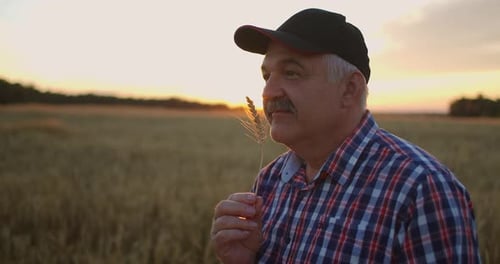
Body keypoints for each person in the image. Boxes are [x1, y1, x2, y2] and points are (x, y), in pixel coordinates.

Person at [211, 8, 481, 263]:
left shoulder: (422, 190)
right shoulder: (269, 181)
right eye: (267, 76)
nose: (269, 92)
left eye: (292, 73)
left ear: (349, 89)